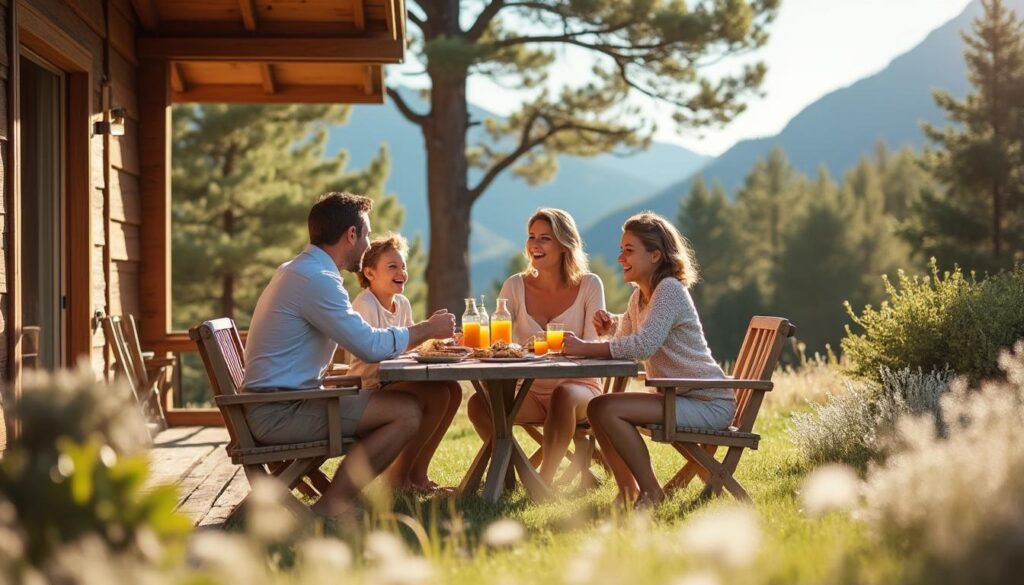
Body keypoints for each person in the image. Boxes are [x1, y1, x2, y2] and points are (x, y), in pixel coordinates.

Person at [242, 192, 456, 520]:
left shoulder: (300, 270)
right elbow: (368, 346)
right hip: (280, 413)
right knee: (406, 413)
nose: (368, 244)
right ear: (351, 235)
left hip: (283, 402)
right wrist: (426, 329)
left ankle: (383, 485)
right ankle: (331, 505)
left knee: (424, 399)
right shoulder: (317, 279)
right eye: (367, 235)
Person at [563, 211, 733, 508]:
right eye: (621, 250)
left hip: (707, 402)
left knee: (605, 408)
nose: (620, 258)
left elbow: (642, 345)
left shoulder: (669, 290)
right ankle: (629, 490)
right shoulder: (640, 296)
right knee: (599, 407)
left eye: (629, 250)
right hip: (678, 397)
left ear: (655, 255)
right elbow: (628, 339)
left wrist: (586, 348)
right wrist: (611, 328)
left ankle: (651, 491)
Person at [467, 208, 606, 486]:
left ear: (565, 245)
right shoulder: (515, 286)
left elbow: (593, 344)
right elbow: (500, 345)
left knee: (564, 395)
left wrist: (569, 345)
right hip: (527, 391)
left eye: (545, 238)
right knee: (479, 406)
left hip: (579, 389)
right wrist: (518, 349)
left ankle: (542, 482)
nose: (535, 245)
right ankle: (509, 475)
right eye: (532, 237)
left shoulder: (590, 285)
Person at [349, 234, 462, 493]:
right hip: (370, 388)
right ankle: (399, 478)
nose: (402, 272)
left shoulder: (401, 303)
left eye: (403, 267)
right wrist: (427, 331)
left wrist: (440, 342)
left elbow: (409, 346)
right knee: (438, 395)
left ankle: (418, 473)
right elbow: (375, 351)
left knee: (452, 390)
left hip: (396, 382)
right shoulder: (364, 304)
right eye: (392, 267)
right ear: (369, 272)